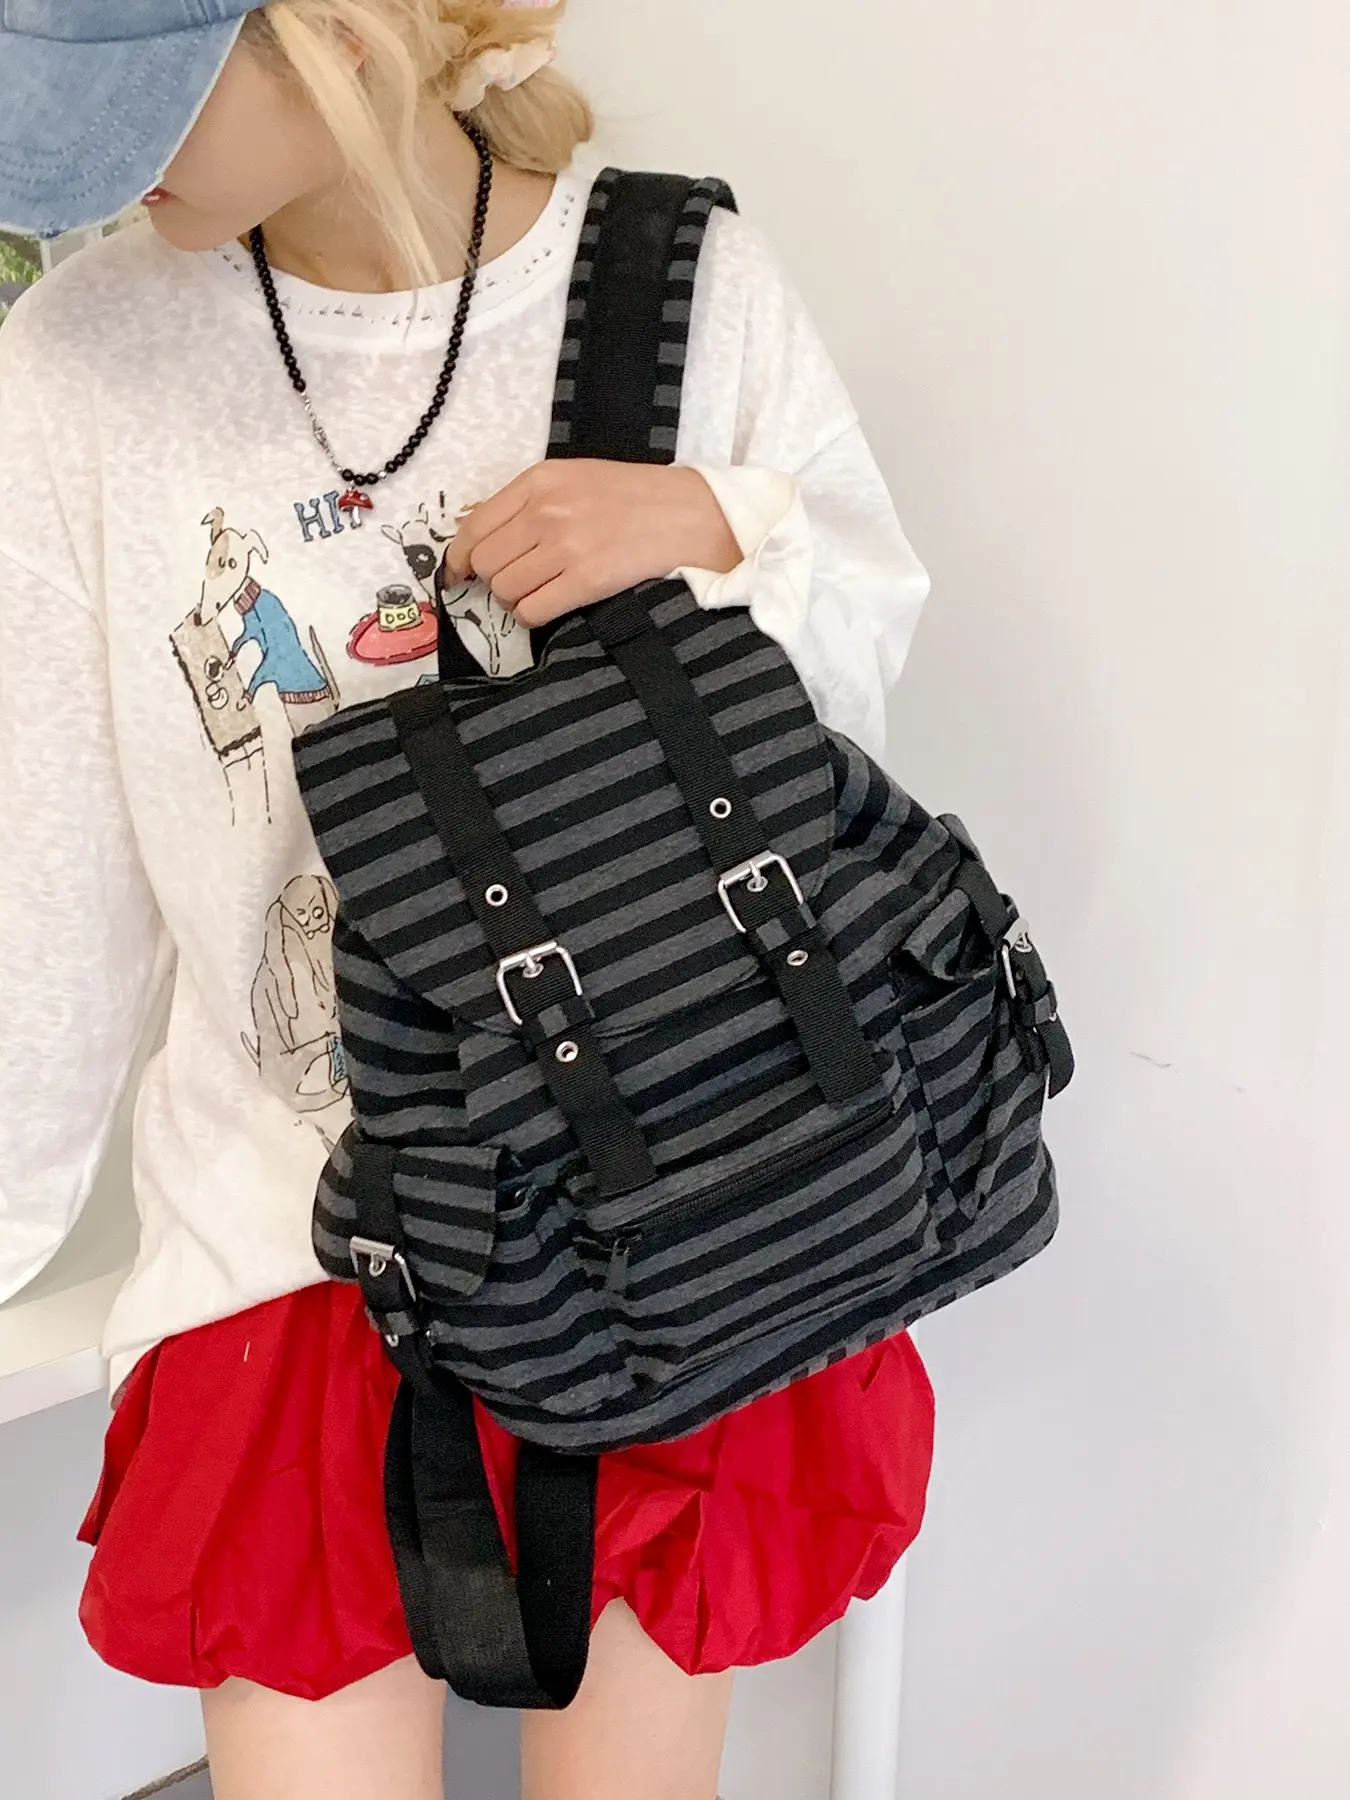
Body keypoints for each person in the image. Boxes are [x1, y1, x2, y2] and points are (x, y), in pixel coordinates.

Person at [0, 4, 937, 1797]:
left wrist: (711, 526)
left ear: (337, 36)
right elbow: (46, 884)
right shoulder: (78, 362)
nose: (89, 173)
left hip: (662, 1210)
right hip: (296, 1247)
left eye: (142, 96)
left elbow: (842, 724)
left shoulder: (677, 285)